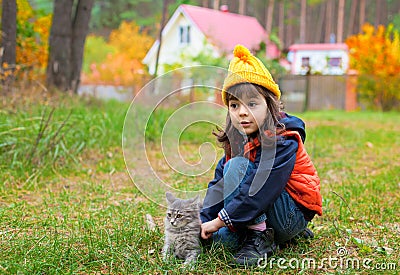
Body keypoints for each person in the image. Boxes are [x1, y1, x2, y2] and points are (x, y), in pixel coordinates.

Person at [200, 44, 322, 266]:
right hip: (258, 207)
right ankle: (261, 231)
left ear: (270, 105)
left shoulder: (283, 140)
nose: (242, 112)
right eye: (234, 105)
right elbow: (219, 186)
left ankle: (260, 236)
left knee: (237, 167)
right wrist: (202, 221)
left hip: (290, 212)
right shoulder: (237, 138)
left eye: (252, 104)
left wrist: (219, 221)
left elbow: (262, 189)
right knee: (219, 243)